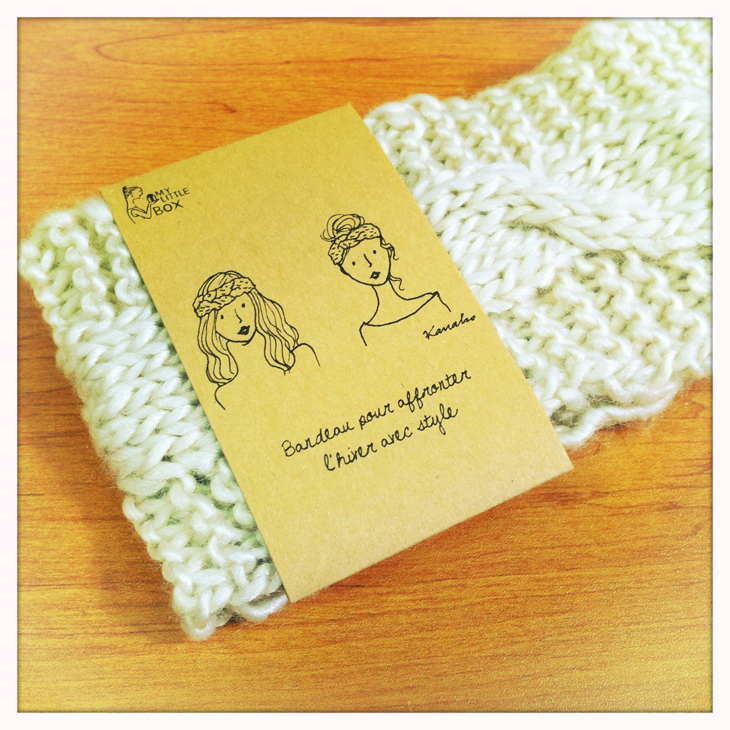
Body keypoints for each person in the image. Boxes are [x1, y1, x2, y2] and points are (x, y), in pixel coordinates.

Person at [193, 271, 318, 408]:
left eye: (243, 306)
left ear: (255, 303)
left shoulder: (303, 356)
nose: (239, 319)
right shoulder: (226, 395)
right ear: (212, 327)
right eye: (224, 317)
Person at [322, 214, 450, 345]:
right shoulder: (369, 332)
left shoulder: (431, 302)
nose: (369, 263)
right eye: (355, 263)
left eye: (374, 252)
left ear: (386, 249)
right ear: (347, 272)